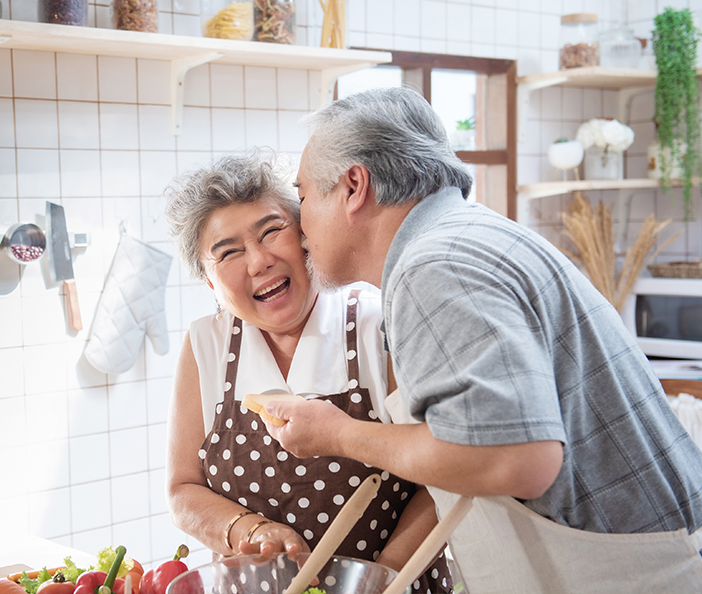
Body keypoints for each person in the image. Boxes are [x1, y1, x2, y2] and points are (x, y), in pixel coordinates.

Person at [260, 87, 702, 593]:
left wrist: (338, 435)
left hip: (627, 573)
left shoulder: (434, 266)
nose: (298, 228)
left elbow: (516, 458)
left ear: (354, 187)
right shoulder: (465, 235)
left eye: (303, 197)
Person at [162, 149, 452, 594]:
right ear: (209, 282)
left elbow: (442, 484)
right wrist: (250, 530)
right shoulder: (206, 345)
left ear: (304, 233)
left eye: (271, 231)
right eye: (229, 252)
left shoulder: (378, 323)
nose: (259, 261)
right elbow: (183, 491)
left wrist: (375, 583)